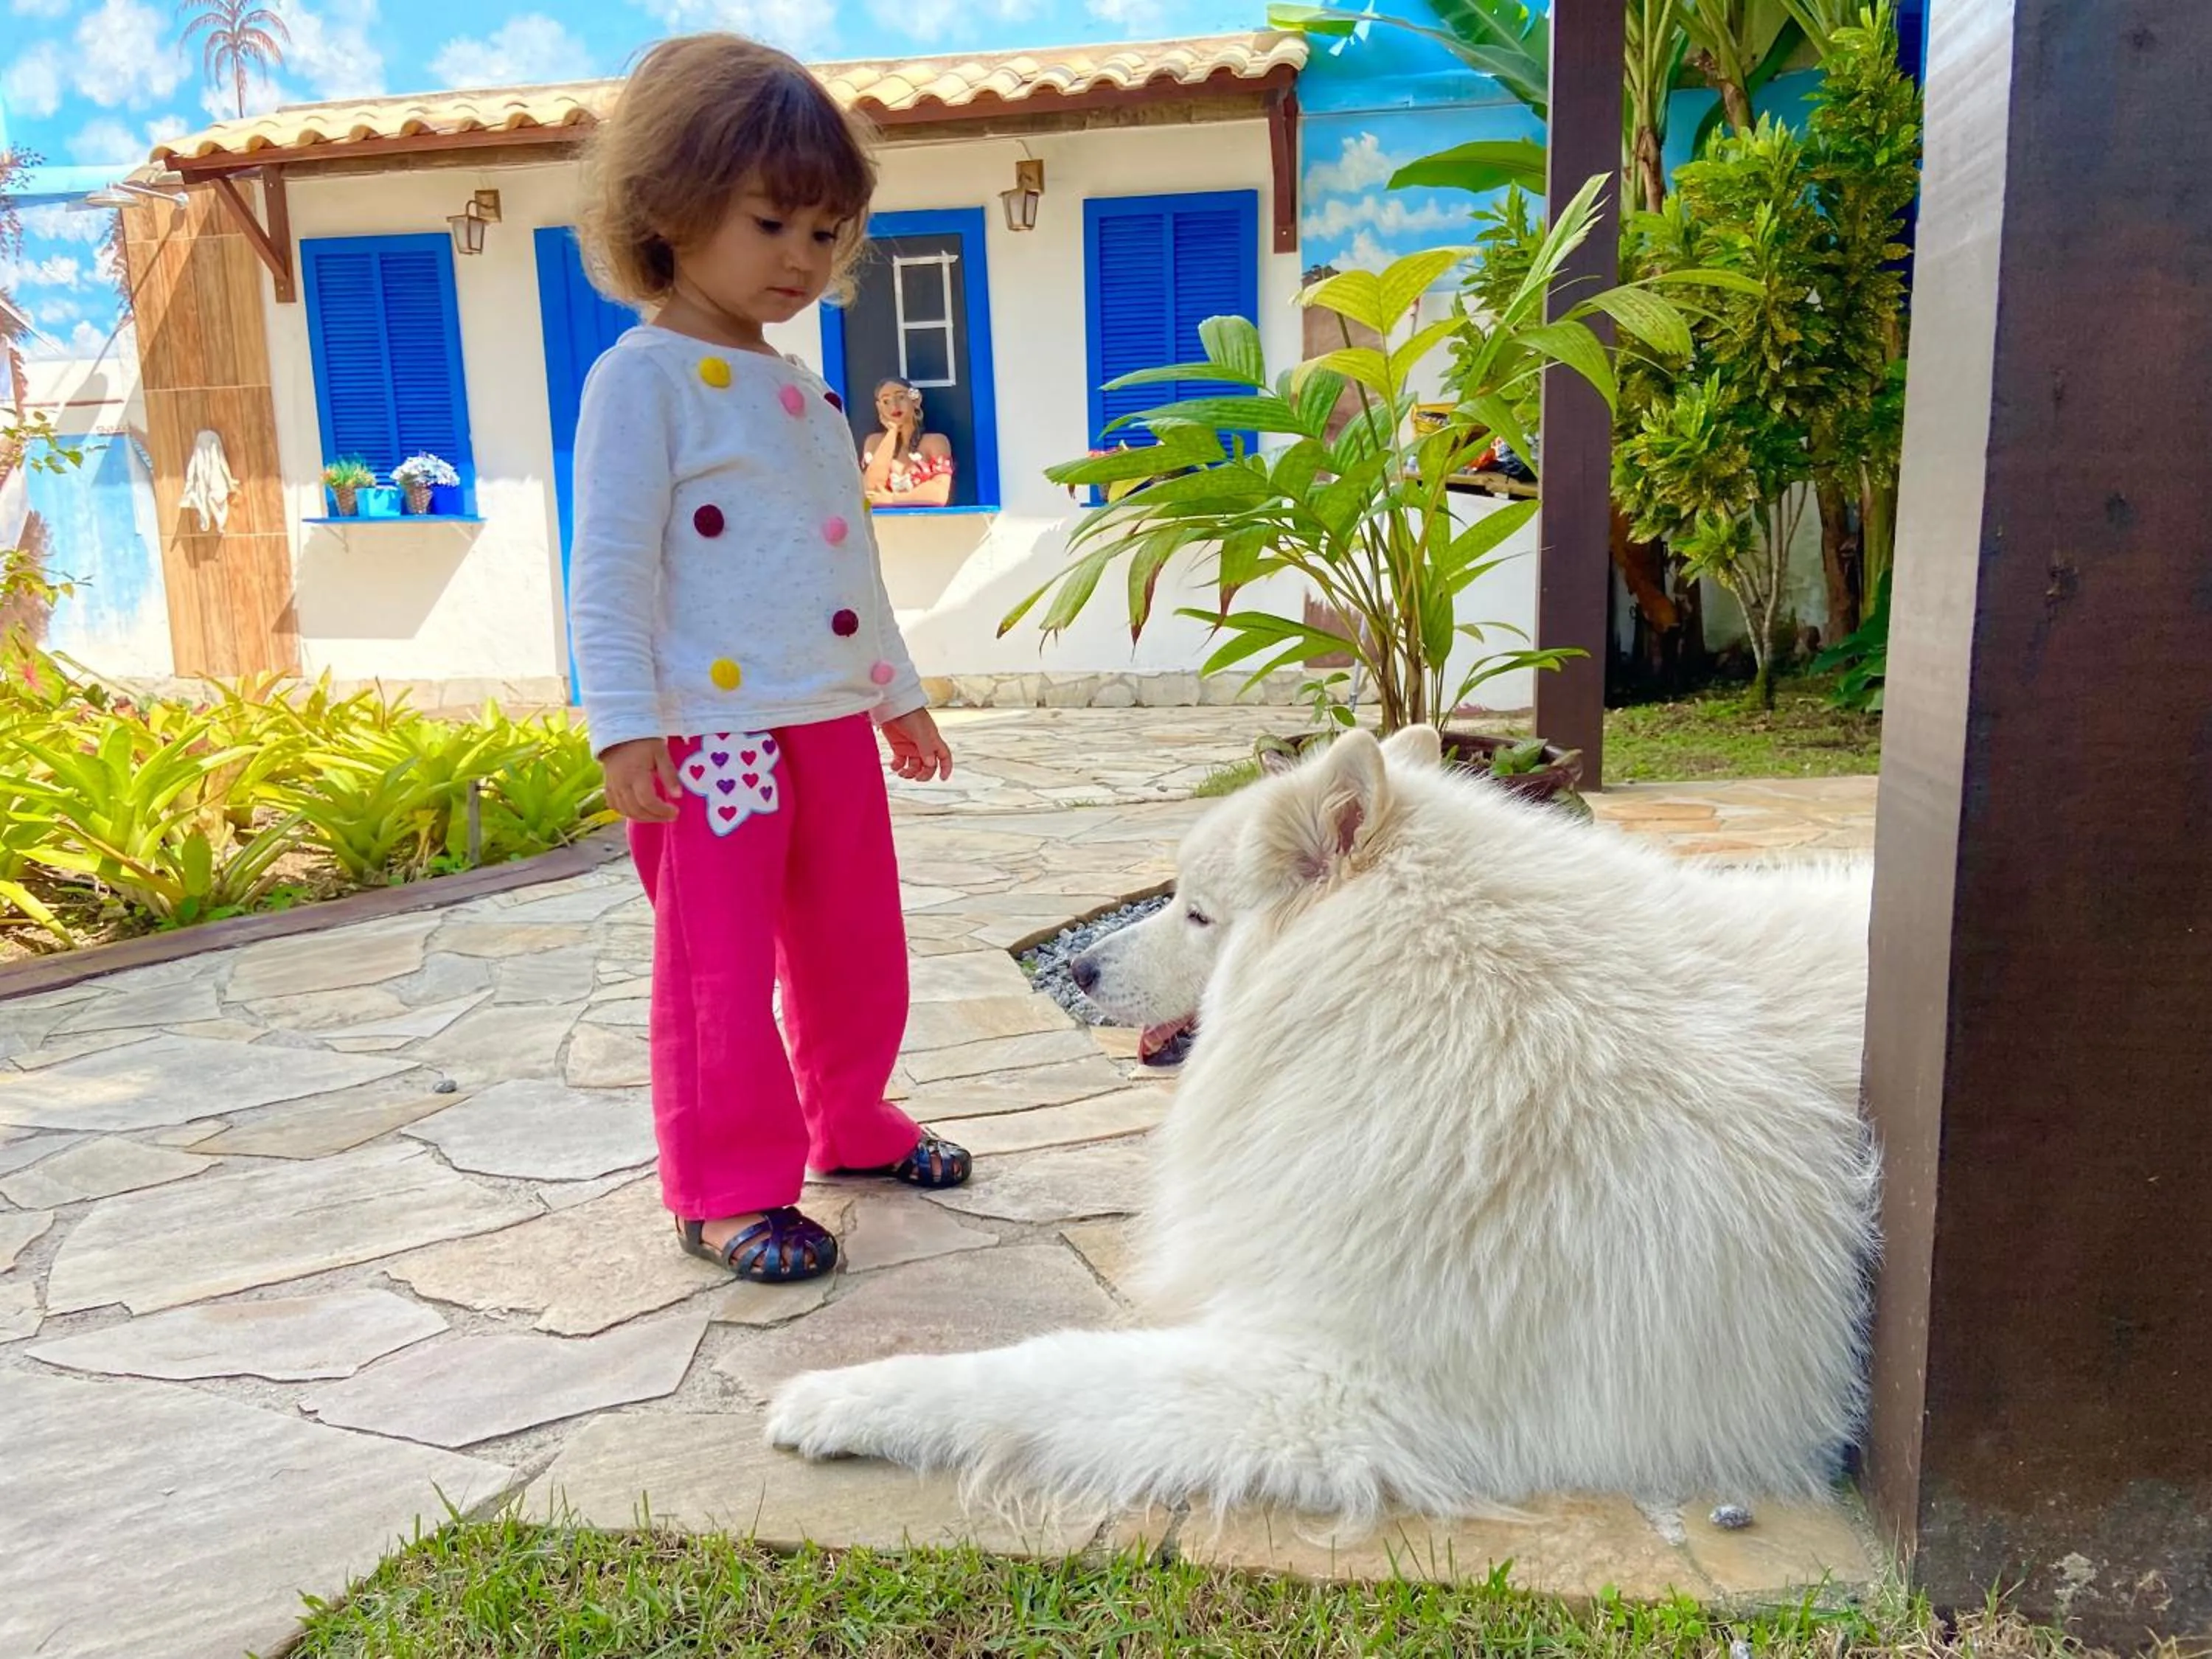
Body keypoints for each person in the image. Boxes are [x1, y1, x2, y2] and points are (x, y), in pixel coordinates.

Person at [568, 33, 970, 1285]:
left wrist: (896, 698)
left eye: (825, 232)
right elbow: (611, 568)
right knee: (723, 972)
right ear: (669, 208)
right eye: (771, 223)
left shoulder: (799, 388)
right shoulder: (642, 382)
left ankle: (850, 1121)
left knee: (858, 943)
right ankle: (729, 1189)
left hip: (828, 723)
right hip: (712, 740)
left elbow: (844, 569)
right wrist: (623, 723)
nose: (801, 259)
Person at [860, 378, 955, 507]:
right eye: (886, 401)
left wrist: (892, 499)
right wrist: (892, 432)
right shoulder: (874, 442)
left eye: (901, 397)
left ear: (915, 400)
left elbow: (939, 494)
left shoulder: (936, 442)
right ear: (879, 407)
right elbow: (870, 491)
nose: (894, 406)